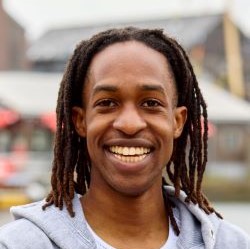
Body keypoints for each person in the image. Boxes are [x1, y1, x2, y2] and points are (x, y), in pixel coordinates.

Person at [0, 27, 249, 249]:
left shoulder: (231, 243)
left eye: (151, 103)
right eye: (107, 103)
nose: (129, 125)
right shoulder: (18, 244)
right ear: (80, 120)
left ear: (178, 121)